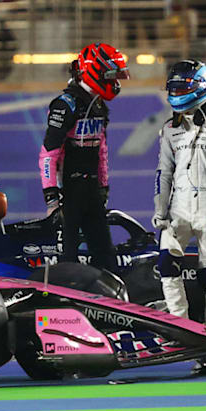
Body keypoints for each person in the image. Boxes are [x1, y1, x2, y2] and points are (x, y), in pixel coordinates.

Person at [152, 60, 206, 333]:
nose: (176, 94)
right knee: (166, 265)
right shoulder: (169, 129)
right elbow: (163, 173)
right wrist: (159, 210)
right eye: (173, 89)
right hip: (176, 210)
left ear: (200, 87)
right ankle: (180, 328)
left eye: (182, 89)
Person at [39, 42, 129, 272]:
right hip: (68, 194)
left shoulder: (97, 104)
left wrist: (103, 186)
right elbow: (48, 154)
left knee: (106, 258)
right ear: (95, 71)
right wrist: (52, 200)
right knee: (67, 260)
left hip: (91, 193)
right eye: (111, 75)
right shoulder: (65, 105)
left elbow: (102, 149)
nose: (115, 83)